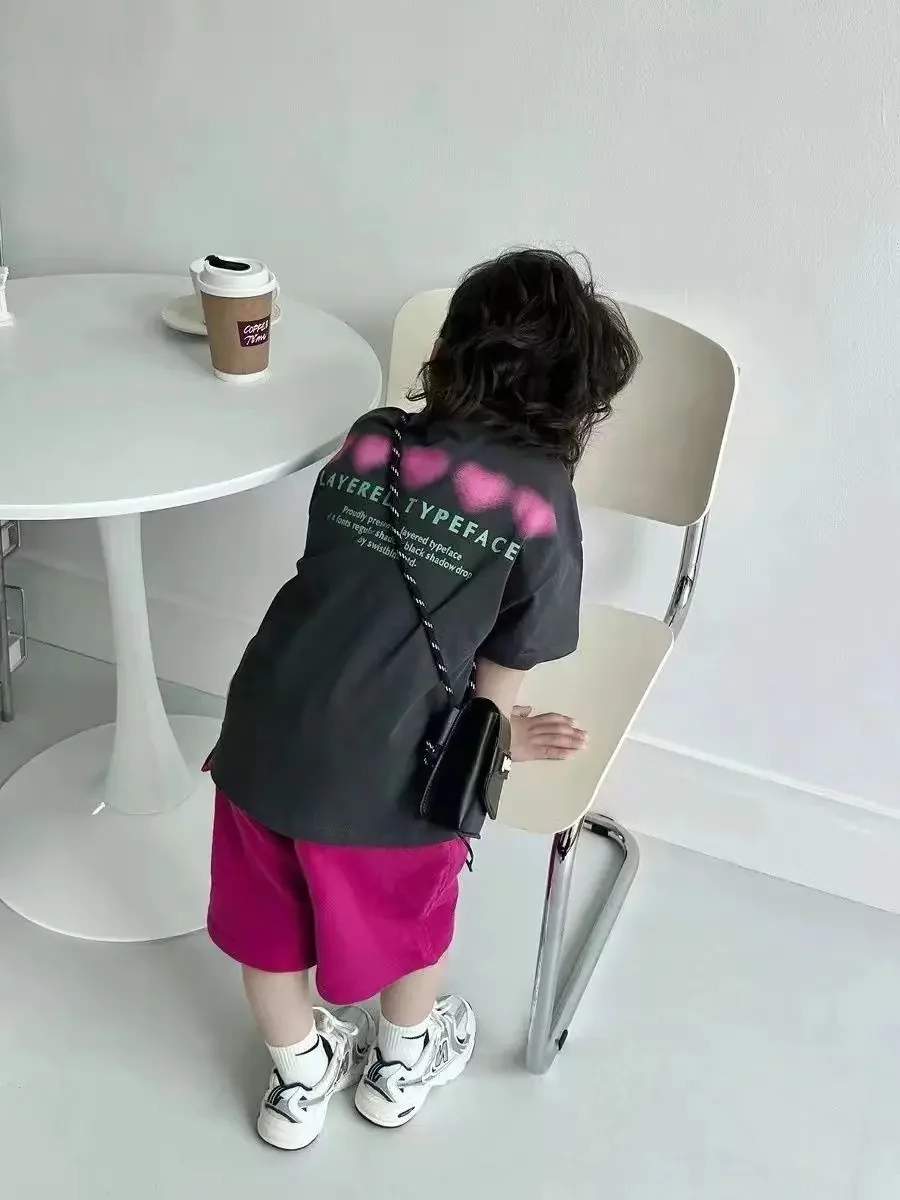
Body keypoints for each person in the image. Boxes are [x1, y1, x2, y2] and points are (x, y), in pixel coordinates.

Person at [205, 248, 640, 1148]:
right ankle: (399, 1069)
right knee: (412, 928)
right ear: (575, 399)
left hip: (264, 730)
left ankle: (298, 1082)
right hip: (393, 770)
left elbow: (338, 575)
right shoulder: (540, 502)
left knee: (266, 930)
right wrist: (502, 737)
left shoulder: (374, 438)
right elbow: (503, 672)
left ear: (447, 350)